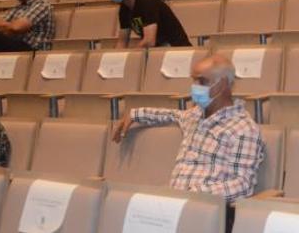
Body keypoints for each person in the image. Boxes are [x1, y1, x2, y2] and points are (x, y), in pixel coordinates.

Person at [113, 54, 264, 233]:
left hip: (207, 213)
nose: (195, 88)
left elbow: (243, 185)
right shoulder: (194, 115)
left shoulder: (243, 128)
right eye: (193, 81)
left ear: (222, 84)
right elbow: (169, 115)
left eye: (201, 81)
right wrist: (134, 114)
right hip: (173, 207)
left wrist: (195, 193)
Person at [108, 0, 192, 48]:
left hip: (174, 48)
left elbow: (149, 41)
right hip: (156, 51)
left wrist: (133, 55)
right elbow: (122, 42)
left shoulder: (147, 3)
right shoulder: (124, 8)